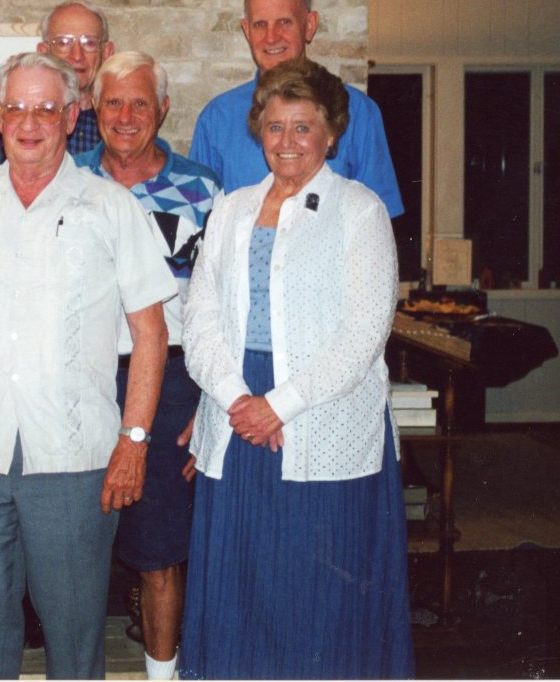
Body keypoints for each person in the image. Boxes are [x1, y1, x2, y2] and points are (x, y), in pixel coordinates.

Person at [0, 52, 176, 679]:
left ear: (71, 117)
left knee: (74, 638)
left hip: (75, 459)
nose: (29, 123)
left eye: (46, 109)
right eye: (17, 109)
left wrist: (134, 440)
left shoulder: (111, 208)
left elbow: (152, 333)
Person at [179, 57, 414, 679]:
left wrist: (277, 406)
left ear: (330, 134)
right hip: (236, 416)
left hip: (320, 421)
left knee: (320, 599)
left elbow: (365, 333)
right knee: (241, 589)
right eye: (275, 126)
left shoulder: (359, 210)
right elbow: (199, 317)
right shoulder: (230, 209)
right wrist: (237, 399)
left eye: (303, 127)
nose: (287, 141)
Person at [73, 51, 220, 680]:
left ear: (163, 109)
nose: (126, 116)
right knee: (72, 547)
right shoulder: (68, 180)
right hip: (80, 377)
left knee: (160, 551)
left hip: (174, 382)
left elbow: (221, 307)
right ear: (93, 109)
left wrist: (212, 404)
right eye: (114, 102)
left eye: (140, 103)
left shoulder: (202, 189)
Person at [189, 0, 404, 216]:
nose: (271, 37)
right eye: (260, 24)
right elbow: (199, 217)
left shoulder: (359, 112)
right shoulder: (217, 118)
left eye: (284, 22)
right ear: (247, 31)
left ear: (309, 25)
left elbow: (378, 217)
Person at [0, 0, 115, 155]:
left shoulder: (120, 123)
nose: (77, 55)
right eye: (63, 43)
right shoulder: (11, 120)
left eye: (89, 43)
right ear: (44, 52)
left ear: (107, 53)